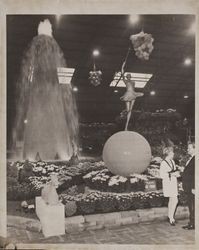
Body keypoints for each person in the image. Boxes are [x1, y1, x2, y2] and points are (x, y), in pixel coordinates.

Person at [160, 146, 180, 225]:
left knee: (172, 200)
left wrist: (177, 173)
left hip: (173, 183)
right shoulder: (163, 163)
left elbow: (174, 171)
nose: (173, 153)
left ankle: (170, 216)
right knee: (174, 200)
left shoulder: (172, 161)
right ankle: (171, 218)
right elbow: (162, 175)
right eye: (172, 152)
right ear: (168, 153)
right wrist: (172, 174)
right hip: (168, 183)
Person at [120, 63, 144, 131]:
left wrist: (136, 94)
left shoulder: (133, 82)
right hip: (127, 94)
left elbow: (133, 89)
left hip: (132, 94)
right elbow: (122, 74)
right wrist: (122, 66)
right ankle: (126, 126)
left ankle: (126, 126)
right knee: (128, 111)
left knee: (130, 110)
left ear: (130, 76)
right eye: (127, 75)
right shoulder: (125, 81)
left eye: (129, 75)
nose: (128, 76)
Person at [182, 141, 195, 230]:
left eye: (189, 148)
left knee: (193, 205)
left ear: (195, 148)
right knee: (191, 205)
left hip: (192, 187)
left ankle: (193, 223)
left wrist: (194, 187)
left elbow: (195, 174)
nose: (187, 149)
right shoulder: (191, 158)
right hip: (189, 186)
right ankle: (191, 222)